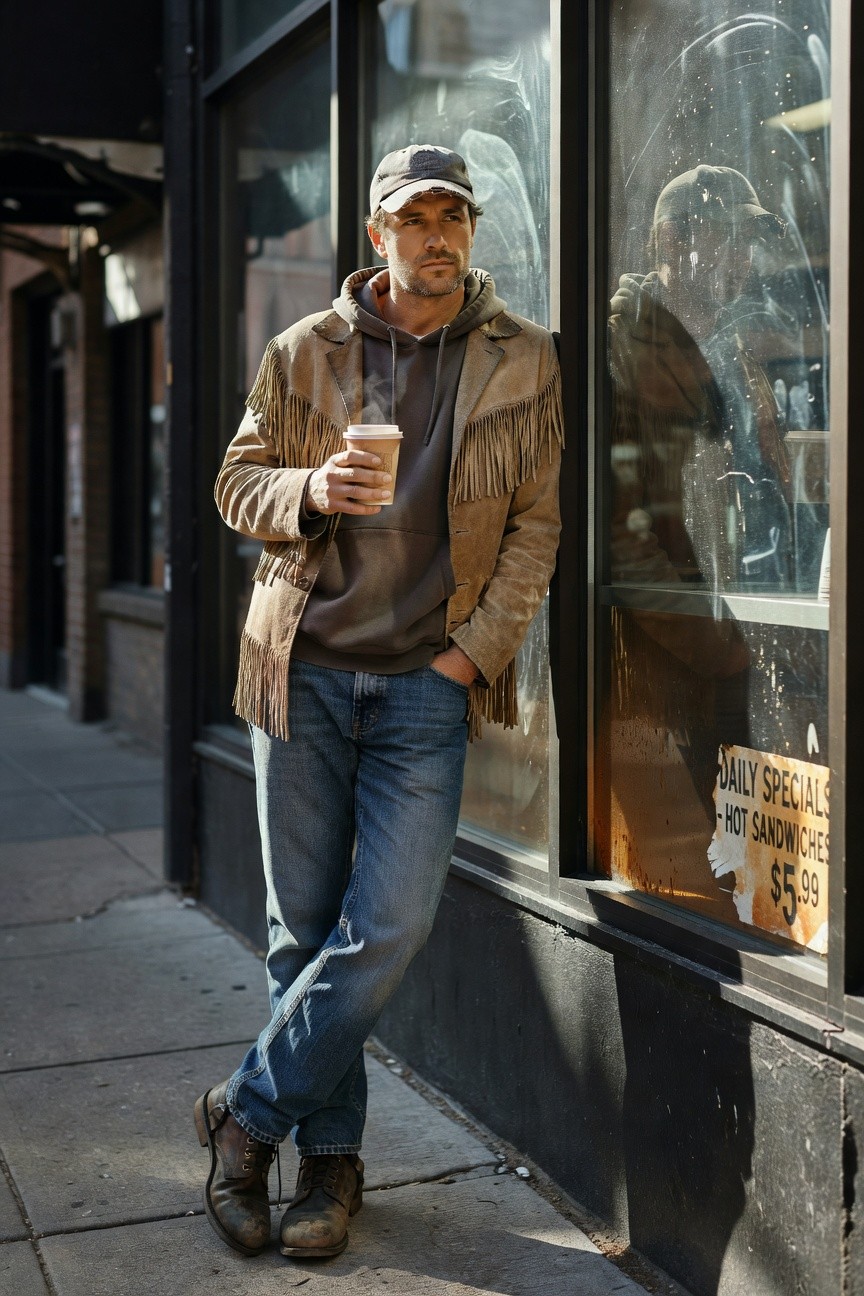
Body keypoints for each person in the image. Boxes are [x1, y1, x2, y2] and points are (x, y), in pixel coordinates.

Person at [195, 144, 562, 1262]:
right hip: (300, 674)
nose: (438, 234)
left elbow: (536, 526)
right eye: (417, 218)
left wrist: (469, 658)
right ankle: (330, 1172)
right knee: (301, 933)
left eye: (455, 216)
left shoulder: (524, 359)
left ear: (471, 231)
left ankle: (245, 1117)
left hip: (424, 690)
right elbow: (232, 484)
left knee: (390, 924)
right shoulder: (304, 352)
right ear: (378, 235)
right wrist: (308, 490)